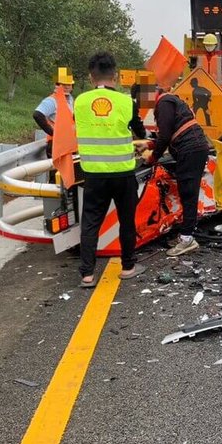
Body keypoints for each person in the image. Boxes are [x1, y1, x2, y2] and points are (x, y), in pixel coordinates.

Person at [74, 52, 147, 288]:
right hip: (123, 173)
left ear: (90, 76)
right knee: (126, 221)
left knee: (90, 222)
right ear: (115, 75)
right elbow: (140, 131)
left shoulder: (80, 101)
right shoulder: (127, 102)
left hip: (93, 173)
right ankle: (128, 267)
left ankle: (87, 274)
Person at [141, 88, 210, 256]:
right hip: (195, 148)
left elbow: (165, 136)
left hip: (190, 150)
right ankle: (185, 235)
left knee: (188, 195)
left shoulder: (164, 103)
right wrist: (149, 145)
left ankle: (187, 239)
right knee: (188, 194)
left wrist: (153, 157)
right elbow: (171, 131)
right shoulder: (170, 101)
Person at [33, 67, 75, 158]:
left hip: (68, 144)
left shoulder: (70, 99)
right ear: (57, 85)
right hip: (56, 145)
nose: (67, 87)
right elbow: (37, 115)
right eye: (64, 84)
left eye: (69, 84)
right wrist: (54, 133)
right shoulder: (52, 100)